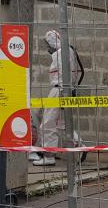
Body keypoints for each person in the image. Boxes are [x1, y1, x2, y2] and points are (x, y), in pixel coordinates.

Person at [29, 30, 84, 166]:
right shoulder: (69, 51)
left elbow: (62, 75)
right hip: (65, 89)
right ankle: (79, 145)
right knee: (62, 124)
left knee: (48, 124)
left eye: (49, 43)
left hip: (58, 90)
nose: (48, 47)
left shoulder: (61, 53)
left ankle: (48, 156)